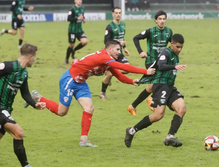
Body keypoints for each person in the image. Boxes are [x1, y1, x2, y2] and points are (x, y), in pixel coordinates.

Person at [26, 40, 155, 147]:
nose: (119, 52)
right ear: (109, 50)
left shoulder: (108, 61)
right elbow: (124, 67)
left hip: (81, 83)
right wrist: (145, 71)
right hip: (70, 79)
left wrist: (133, 81)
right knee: (61, 112)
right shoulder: (104, 57)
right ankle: (37, 97)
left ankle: (83, 140)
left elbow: (120, 76)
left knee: (89, 108)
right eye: (117, 50)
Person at [124, 33, 187, 148]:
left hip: (170, 87)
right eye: (177, 47)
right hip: (161, 86)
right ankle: (132, 131)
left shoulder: (175, 54)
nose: (179, 50)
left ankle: (170, 137)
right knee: (158, 115)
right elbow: (161, 66)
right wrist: (174, 67)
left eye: (181, 47)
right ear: (171, 43)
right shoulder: (166, 53)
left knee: (181, 108)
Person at [0, 43, 46, 167]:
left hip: (6, 110)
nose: (35, 60)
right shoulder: (8, 66)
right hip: (0, 109)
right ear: (30, 57)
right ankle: (26, 166)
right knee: (18, 132)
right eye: (35, 57)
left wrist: (35, 104)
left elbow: (25, 94)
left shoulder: (24, 73)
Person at [127, 10, 172, 116]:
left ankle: (132, 106)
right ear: (156, 20)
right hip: (151, 61)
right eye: (160, 19)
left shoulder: (168, 32)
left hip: (162, 62)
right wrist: (141, 51)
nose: (162, 21)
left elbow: (172, 45)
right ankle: (152, 100)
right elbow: (136, 38)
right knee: (161, 82)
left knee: (150, 87)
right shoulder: (150, 31)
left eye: (164, 19)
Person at [99, 7, 130, 100]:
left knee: (127, 68)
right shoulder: (109, 27)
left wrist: (125, 48)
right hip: (110, 53)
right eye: (116, 13)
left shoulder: (123, 25)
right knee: (109, 75)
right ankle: (102, 93)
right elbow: (106, 41)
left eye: (119, 13)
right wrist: (118, 42)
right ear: (113, 14)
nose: (118, 14)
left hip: (119, 52)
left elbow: (122, 38)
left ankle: (110, 71)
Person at [65, 0, 87, 64]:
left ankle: (74, 50)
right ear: (75, 1)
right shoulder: (72, 9)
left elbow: (82, 16)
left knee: (84, 42)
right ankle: (67, 58)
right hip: (72, 30)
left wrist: (83, 19)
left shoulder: (82, 9)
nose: (80, 1)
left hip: (79, 30)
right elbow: (68, 19)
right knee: (71, 45)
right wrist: (77, 18)